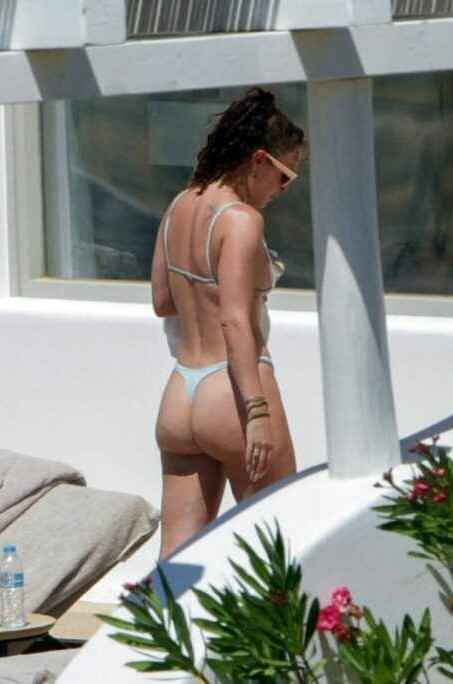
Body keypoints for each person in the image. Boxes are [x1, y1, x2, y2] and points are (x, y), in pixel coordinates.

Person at [150, 88, 304, 558]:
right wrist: (256, 413)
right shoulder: (241, 220)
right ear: (258, 160)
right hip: (233, 394)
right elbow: (235, 321)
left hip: (181, 393)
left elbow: (162, 301)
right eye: (284, 176)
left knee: (176, 560)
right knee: (278, 546)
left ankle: (157, 612)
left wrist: (200, 295)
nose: (283, 189)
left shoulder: (179, 205)